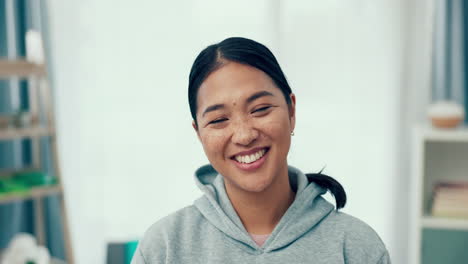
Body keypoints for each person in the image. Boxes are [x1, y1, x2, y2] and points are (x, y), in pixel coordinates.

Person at [131, 37, 390, 264]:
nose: (244, 135)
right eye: (219, 120)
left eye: (260, 109)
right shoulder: (164, 247)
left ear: (291, 110)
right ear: (199, 133)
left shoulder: (356, 247)